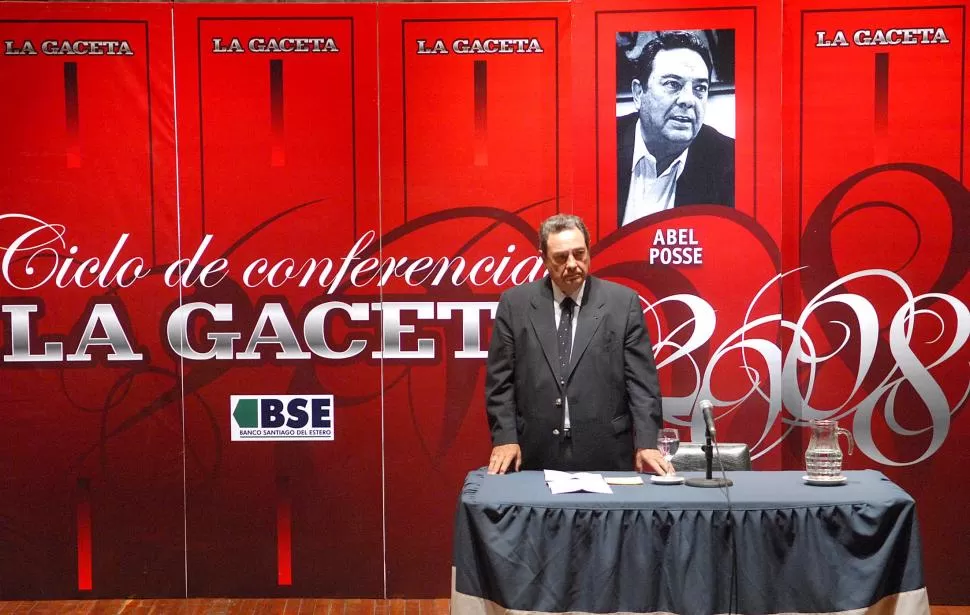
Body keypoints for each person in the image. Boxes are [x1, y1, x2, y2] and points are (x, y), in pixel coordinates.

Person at [484, 214, 669, 474]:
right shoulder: (515, 304)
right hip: (535, 450)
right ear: (543, 258)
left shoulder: (622, 303)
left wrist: (647, 442)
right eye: (561, 257)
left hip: (608, 451)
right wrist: (505, 437)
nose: (572, 264)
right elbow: (500, 383)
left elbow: (642, 384)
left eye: (579, 254)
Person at [617, 31, 734, 227]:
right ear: (638, 93)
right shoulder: (597, 143)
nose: (688, 100)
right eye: (672, 84)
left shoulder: (731, 161)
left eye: (700, 88)